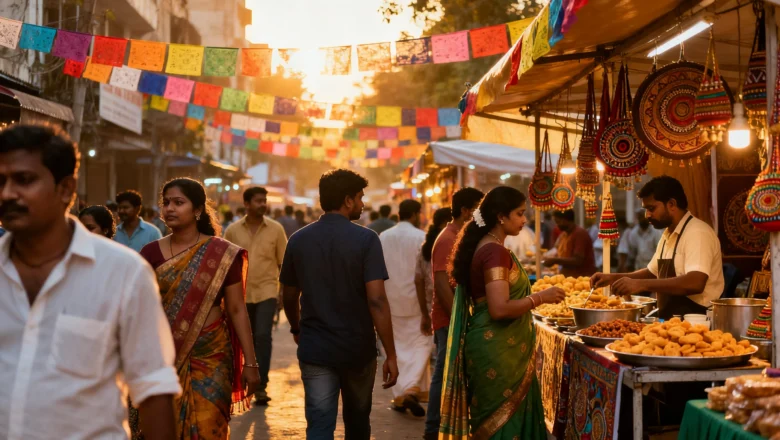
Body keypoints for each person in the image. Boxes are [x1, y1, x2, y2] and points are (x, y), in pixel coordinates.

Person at [0, 125, 181, 439]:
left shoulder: (124, 273)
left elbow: (154, 391)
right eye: (0, 181)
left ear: (66, 189)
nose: (6, 193)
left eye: (24, 180)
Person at [280, 169, 399, 439]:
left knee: (320, 425)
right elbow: (377, 300)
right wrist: (390, 353)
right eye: (359, 197)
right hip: (357, 349)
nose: (362, 203)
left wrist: (297, 328)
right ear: (347, 200)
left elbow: (288, 295)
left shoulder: (298, 240)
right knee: (358, 424)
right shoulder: (366, 240)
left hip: (315, 348)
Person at [138, 178, 260, 439]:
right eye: (166, 202)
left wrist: (250, 363)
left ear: (197, 210)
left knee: (209, 428)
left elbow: (237, 309)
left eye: (178, 202)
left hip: (213, 356)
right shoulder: (150, 254)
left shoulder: (221, 254)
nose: (169, 208)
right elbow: (138, 310)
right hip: (164, 356)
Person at [440, 187, 565, 439]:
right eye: (519, 214)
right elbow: (499, 308)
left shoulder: (486, 246)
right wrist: (541, 297)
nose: (524, 220)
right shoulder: (494, 251)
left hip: (496, 347)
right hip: (497, 350)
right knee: (502, 427)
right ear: (500, 216)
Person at [592, 175, 725, 319]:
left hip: (697, 320)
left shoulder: (697, 233)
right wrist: (613, 277)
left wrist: (641, 285)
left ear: (672, 204)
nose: (647, 215)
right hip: (672, 319)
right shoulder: (668, 233)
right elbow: (653, 272)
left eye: (651, 208)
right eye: (646, 209)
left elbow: (695, 282)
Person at [424, 187, 484, 440]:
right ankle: (433, 428)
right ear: (465, 211)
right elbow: (440, 283)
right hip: (449, 317)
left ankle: (441, 426)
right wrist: (461, 319)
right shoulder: (447, 237)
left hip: (455, 315)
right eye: (478, 209)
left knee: (449, 372)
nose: (481, 214)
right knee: (443, 373)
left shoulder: (460, 234)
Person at [223, 187, 287, 406]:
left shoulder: (276, 229)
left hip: (267, 291)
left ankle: (261, 386)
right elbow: (225, 266)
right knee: (240, 338)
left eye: (264, 200)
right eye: (258, 201)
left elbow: (283, 264)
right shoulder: (232, 231)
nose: (263, 204)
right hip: (238, 294)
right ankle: (240, 382)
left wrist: (281, 293)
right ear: (247, 204)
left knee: (262, 336)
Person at [379, 199, 431, 417]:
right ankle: (410, 388)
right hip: (417, 301)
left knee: (395, 348)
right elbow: (424, 274)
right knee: (422, 344)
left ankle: (403, 392)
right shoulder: (422, 237)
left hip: (390, 300)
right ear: (415, 214)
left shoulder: (383, 237)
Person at [415, 207, 452, 331]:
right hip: (448, 306)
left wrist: (425, 314)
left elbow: (418, 280)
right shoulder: (449, 242)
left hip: (432, 304)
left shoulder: (425, 247)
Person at [543, 209, 597, 277]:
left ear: (565, 220)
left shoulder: (580, 234)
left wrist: (555, 260)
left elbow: (577, 260)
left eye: (558, 222)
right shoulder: (564, 235)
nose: (557, 225)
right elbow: (557, 251)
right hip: (568, 277)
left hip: (582, 278)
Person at [618, 209, 663, 273]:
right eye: (640, 217)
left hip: (653, 267)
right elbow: (632, 252)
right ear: (638, 218)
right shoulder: (634, 233)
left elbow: (659, 252)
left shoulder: (656, 232)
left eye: (643, 217)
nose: (642, 219)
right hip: (639, 267)